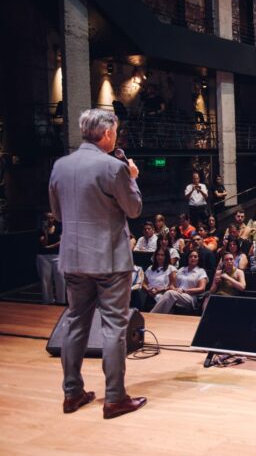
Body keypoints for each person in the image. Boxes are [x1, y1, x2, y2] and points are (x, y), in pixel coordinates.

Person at [48, 108, 146, 418]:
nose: (116, 137)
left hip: (74, 258)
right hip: (109, 259)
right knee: (114, 327)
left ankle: (72, 393)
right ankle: (115, 398)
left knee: (76, 324)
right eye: (115, 132)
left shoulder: (61, 165)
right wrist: (132, 178)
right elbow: (133, 209)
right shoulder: (112, 167)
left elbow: (59, 214)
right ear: (106, 135)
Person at [150, 250, 208, 314]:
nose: (192, 258)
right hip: (177, 293)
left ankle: (152, 315)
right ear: (187, 258)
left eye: (195, 257)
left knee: (170, 293)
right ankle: (163, 319)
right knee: (162, 296)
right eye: (190, 257)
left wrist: (184, 290)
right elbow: (172, 284)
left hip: (190, 297)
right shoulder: (182, 269)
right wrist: (174, 289)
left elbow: (202, 288)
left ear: (199, 259)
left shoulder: (201, 271)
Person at [37, 211, 65, 304]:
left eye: (52, 218)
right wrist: (45, 232)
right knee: (45, 280)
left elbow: (61, 242)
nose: (50, 220)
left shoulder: (58, 228)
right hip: (43, 257)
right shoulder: (41, 230)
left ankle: (61, 301)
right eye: (47, 218)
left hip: (57, 256)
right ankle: (47, 301)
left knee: (60, 278)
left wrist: (50, 247)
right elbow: (43, 243)